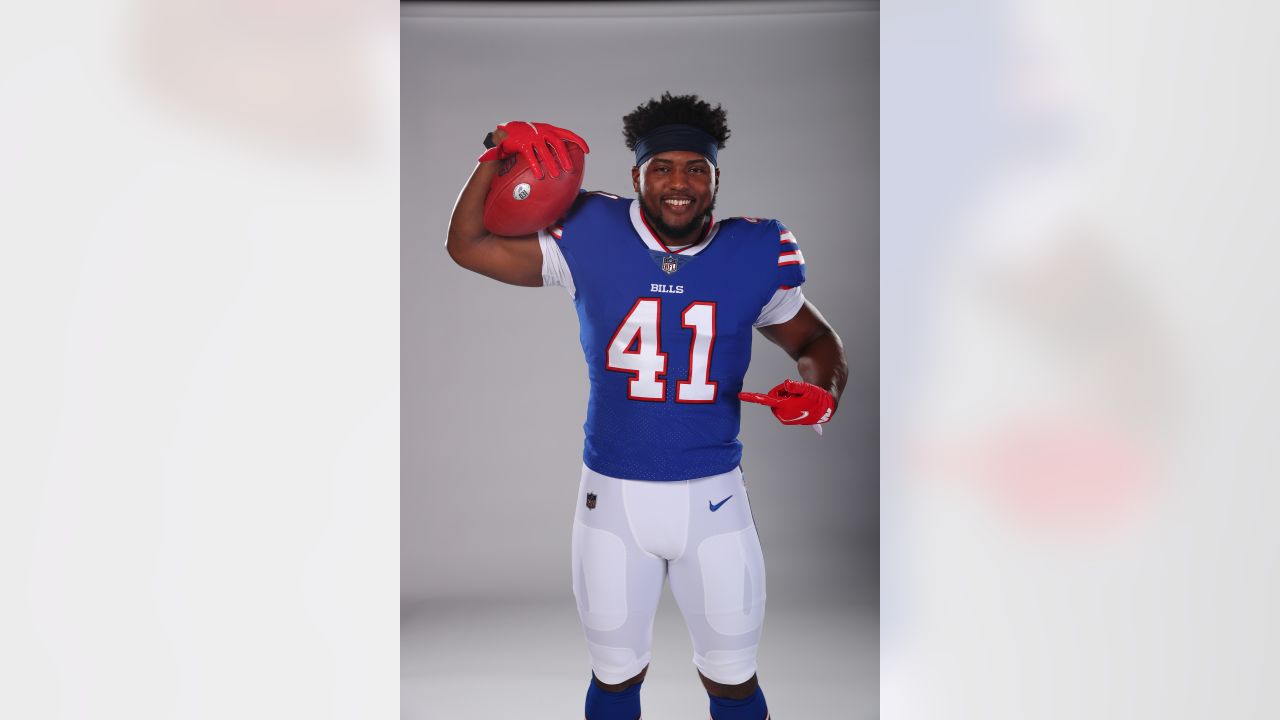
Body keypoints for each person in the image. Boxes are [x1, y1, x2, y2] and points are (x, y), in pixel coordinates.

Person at [446, 92, 848, 720]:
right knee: (613, 682)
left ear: (717, 178)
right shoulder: (591, 230)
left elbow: (817, 341)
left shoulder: (757, 247)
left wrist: (821, 390)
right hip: (612, 502)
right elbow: (467, 244)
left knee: (735, 684)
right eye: (662, 167)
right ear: (636, 176)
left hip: (713, 499)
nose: (678, 183)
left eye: (696, 168)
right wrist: (494, 157)